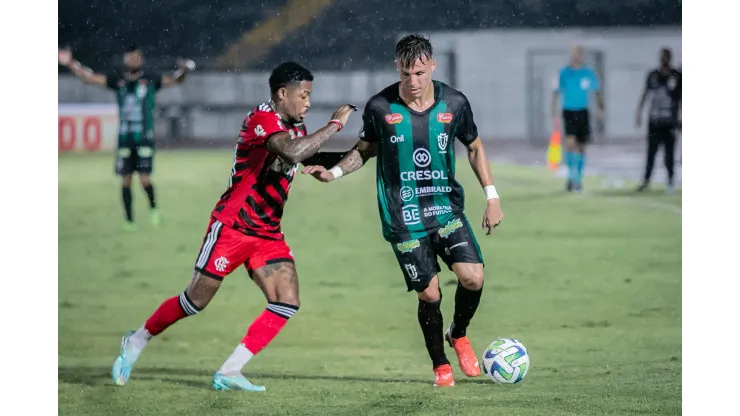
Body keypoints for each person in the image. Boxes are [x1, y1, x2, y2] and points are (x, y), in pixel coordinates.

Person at [110, 61, 357, 391]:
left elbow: (305, 154)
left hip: (267, 233)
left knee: (287, 300)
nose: (308, 102)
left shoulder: (294, 126)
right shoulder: (261, 120)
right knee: (194, 302)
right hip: (233, 227)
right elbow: (293, 152)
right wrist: (335, 124)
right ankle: (136, 341)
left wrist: (365, 151)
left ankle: (229, 371)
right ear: (282, 94)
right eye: (304, 95)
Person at [301, 34, 504, 387]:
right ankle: (440, 364)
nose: (413, 82)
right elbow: (364, 151)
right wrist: (333, 172)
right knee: (430, 293)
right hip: (403, 216)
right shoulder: (380, 107)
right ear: (397, 67)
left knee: (473, 277)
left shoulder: (454, 103)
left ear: (433, 66)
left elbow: (474, 146)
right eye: (406, 73)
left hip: (445, 209)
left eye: (421, 73)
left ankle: (458, 334)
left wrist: (492, 196)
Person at [58, 44, 196, 230]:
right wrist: (71, 63)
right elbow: (89, 78)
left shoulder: (150, 79)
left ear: (141, 59)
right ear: (125, 59)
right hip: (125, 139)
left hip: (145, 138)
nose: (133, 60)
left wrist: (184, 71)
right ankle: (129, 220)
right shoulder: (118, 80)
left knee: (145, 179)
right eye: (129, 57)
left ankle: (153, 208)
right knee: (126, 180)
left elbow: (176, 80)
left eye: (136, 57)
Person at [551, 46, 605, 192]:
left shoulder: (587, 73)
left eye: (578, 54)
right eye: (574, 53)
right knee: (570, 143)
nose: (576, 56)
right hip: (569, 111)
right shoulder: (564, 72)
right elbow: (556, 92)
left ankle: (578, 179)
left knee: (581, 147)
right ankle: (572, 177)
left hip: (583, 112)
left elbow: (596, 91)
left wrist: (601, 108)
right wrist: (553, 110)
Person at [635, 48, 682, 194]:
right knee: (651, 153)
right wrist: (639, 112)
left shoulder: (676, 76)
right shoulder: (653, 75)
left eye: (666, 58)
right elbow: (645, 93)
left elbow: (681, 98)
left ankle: (670, 181)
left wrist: (681, 119)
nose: (664, 60)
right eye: (662, 57)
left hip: (669, 121)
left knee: (669, 154)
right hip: (654, 121)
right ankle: (646, 180)